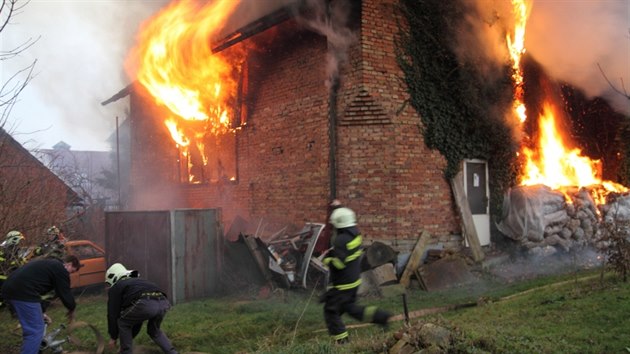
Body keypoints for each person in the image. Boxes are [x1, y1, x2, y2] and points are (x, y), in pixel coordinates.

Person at [321, 207, 391, 344]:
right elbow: (348, 256)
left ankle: (342, 342)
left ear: (339, 224)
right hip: (353, 281)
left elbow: (339, 264)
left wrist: (327, 259)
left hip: (343, 284)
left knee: (331, 311)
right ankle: (381, 317)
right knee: (351, 309)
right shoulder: (355, 234)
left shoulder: (341, 240)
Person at [1, 255, 81, 354]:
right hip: (23, 292)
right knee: (35, 331)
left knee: (35, 327)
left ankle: (35, 349)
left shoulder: (49, 265)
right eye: (72, 271)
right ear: (69, 264)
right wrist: (72, 309)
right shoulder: (60, 269)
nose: (69, 274)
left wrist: (42, 313)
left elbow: (42, 295)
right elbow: (65, 293)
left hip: (10, 289)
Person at [105, 263, 178, 354]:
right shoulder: (137, 281)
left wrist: (113, 337)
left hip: (144, 303)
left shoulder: (116, 287)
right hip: (163, 302)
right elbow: (136, 321)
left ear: (113, 277)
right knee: (154, 331)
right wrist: (126, 343)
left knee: (123, 322)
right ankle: (173, 352)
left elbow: (112, 314)